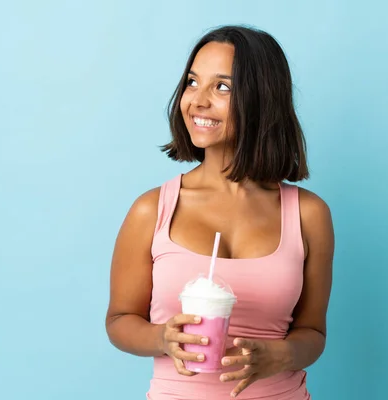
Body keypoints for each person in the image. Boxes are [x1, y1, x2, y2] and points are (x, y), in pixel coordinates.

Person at [106, 25, 334, 400]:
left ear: (261, 99)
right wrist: (162, 337)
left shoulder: (308, 215)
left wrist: (280, 355)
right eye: (192, 82)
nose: (197, 100)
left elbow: (313, 334)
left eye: (222, 87)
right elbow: (119, 321)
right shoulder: (153, 209)